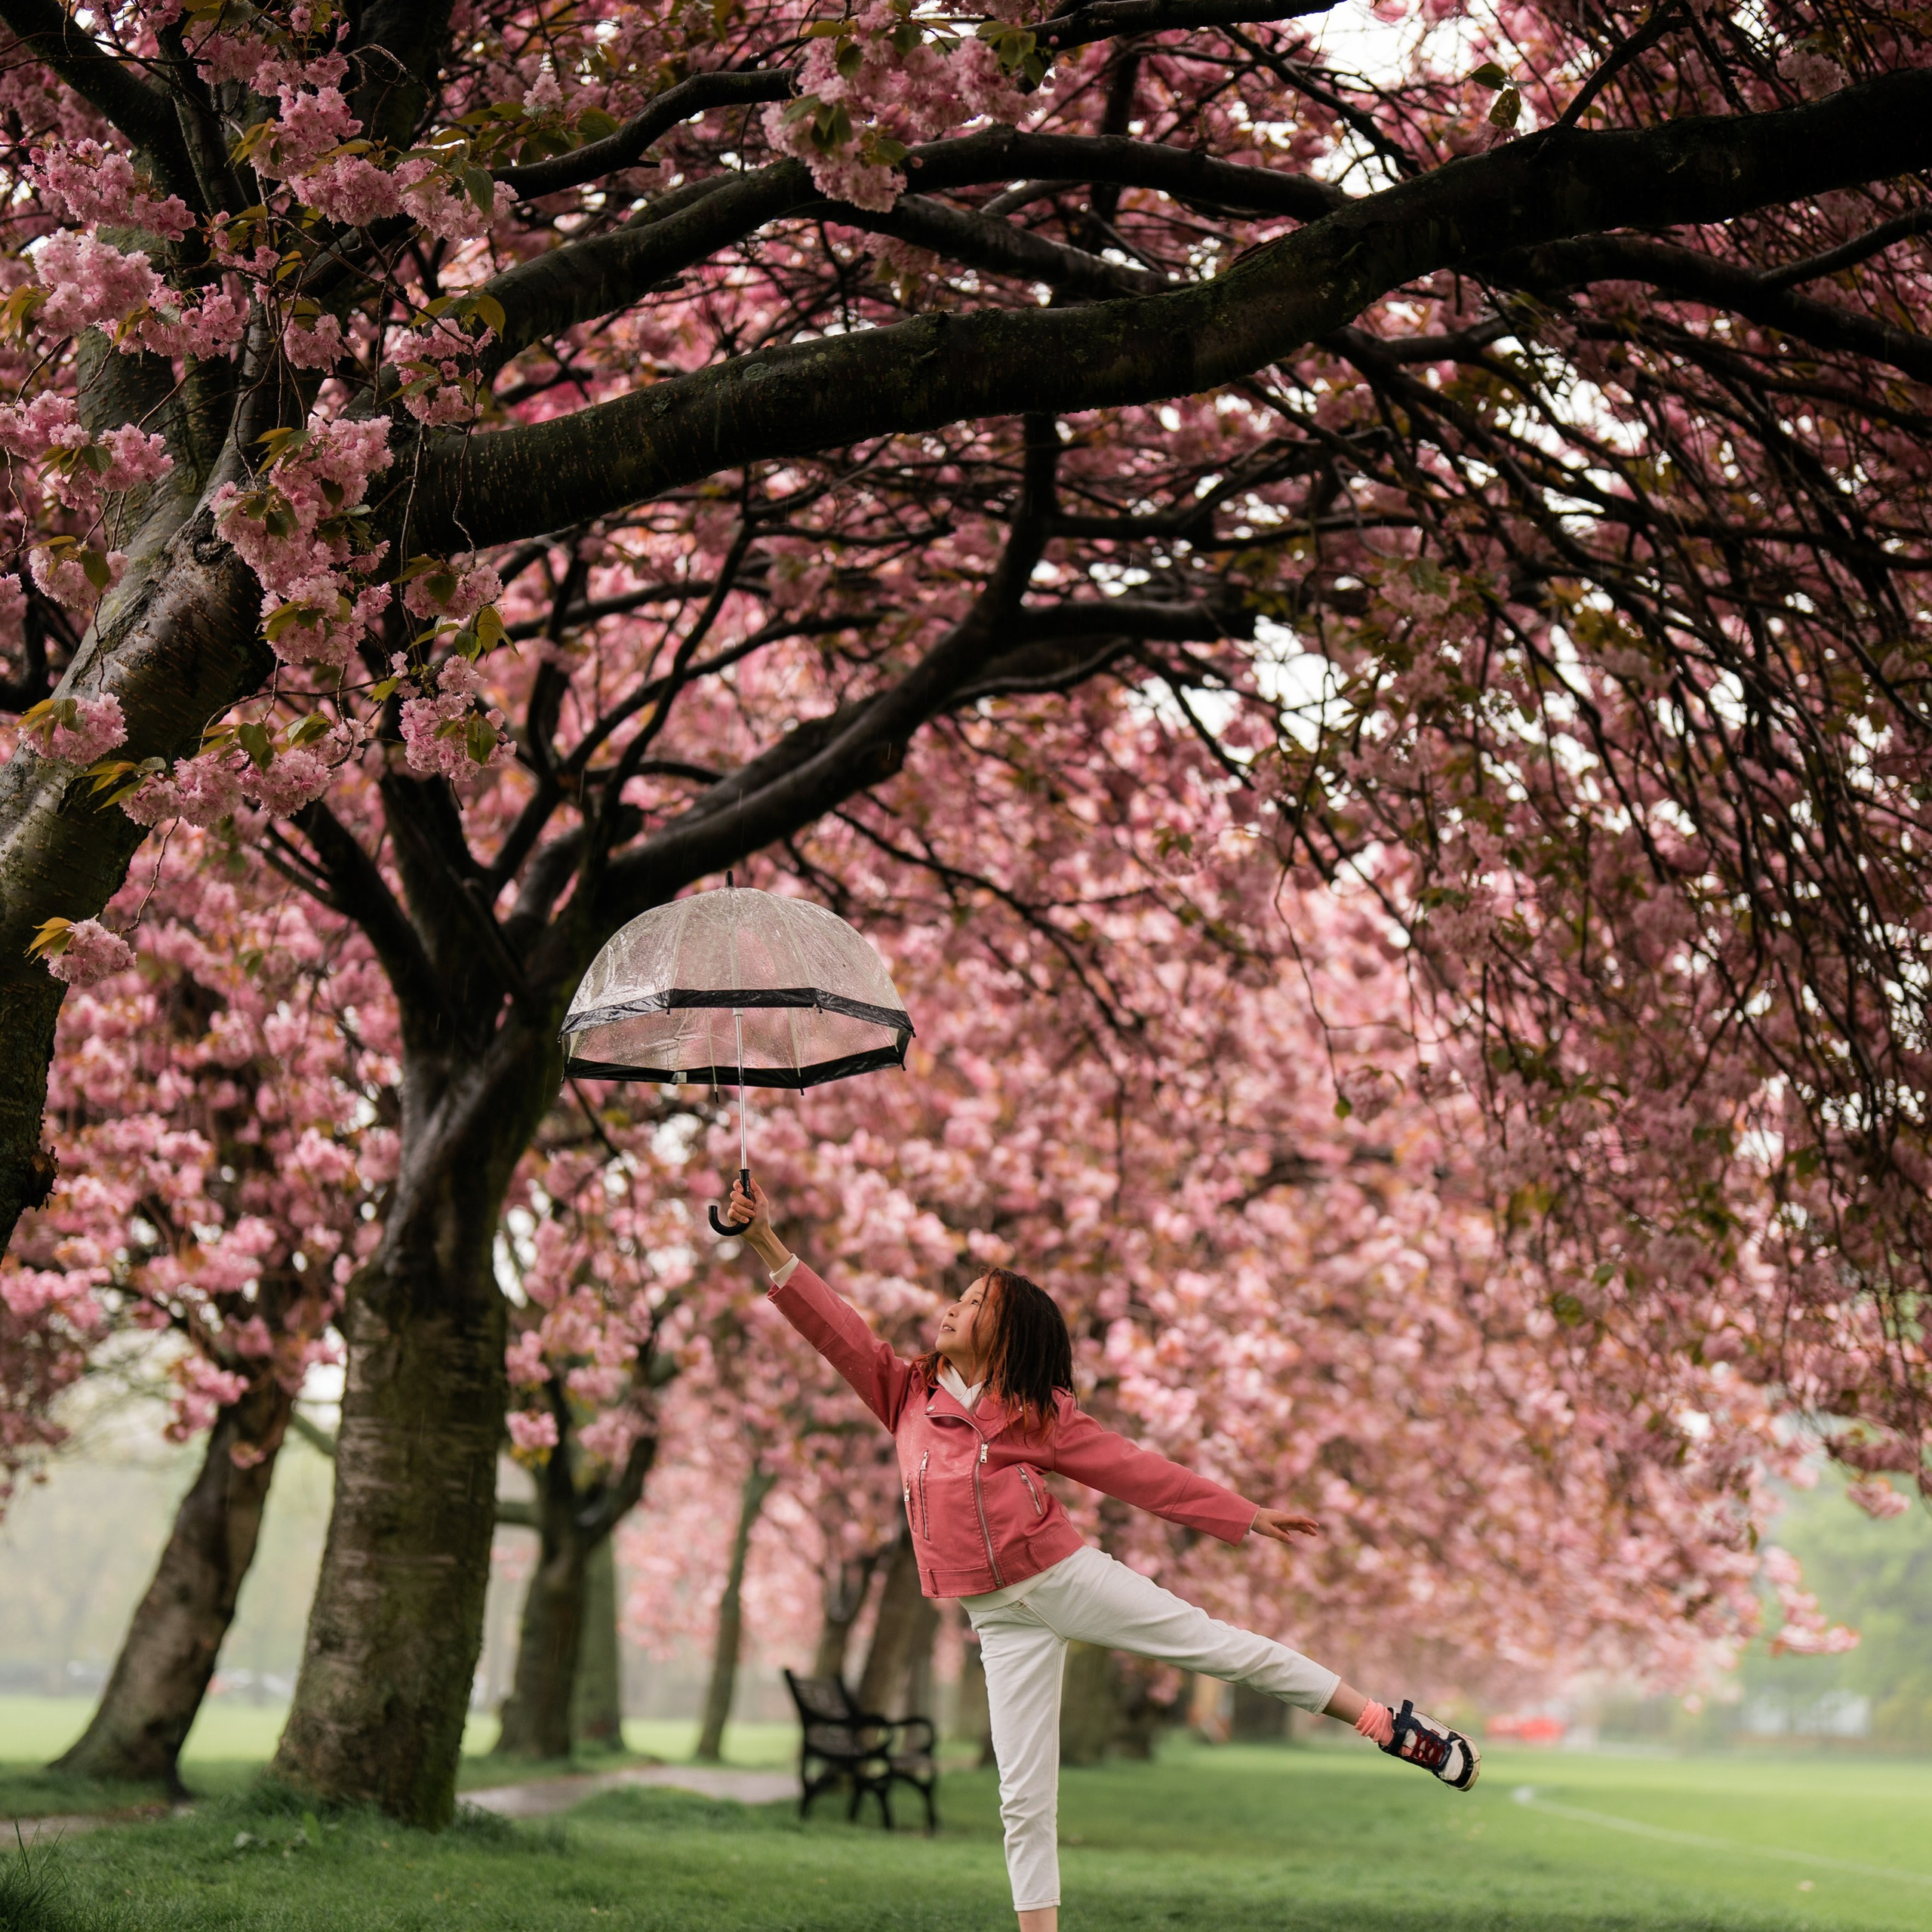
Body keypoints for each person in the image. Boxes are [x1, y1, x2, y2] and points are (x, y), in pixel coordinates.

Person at [727, 1178, 1478, 1930]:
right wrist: (763, 1238)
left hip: (1063, 1580)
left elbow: (1138, 1471)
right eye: (957, 1297)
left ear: (1007, 1333)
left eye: (973, 1301)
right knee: (1023, 1798)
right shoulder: (905, 1394)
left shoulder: (1036, 1415)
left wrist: (1244, 1514)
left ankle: (1391, 1726)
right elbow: (836, 1329)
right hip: (999, 1619)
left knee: (1226, 1650)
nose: (951, 1307)